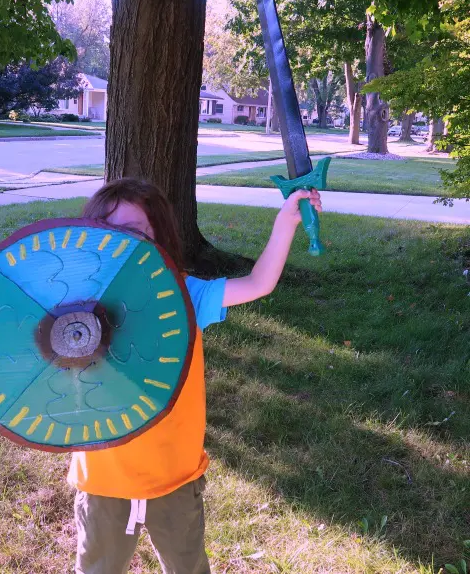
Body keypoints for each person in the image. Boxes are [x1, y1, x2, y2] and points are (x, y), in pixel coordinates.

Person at [70, 178, 323, 574]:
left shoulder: (184, 295)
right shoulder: (75, 304)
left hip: (175, 478)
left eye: (132, 231)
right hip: (104, 479)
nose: (117, 241)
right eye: (106, 229)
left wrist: (286, 222)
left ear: (160, 238)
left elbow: (258, 283)